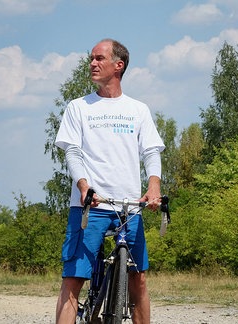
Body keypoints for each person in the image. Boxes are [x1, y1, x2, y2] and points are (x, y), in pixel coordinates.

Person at [54, 38, 165, 324]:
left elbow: (151, 151)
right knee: (74, 279)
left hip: (129, 209)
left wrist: (154, 186)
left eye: (99, 58)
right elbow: (73, 152)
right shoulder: (79, 107)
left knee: (138, 279)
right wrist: (83, 186)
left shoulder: (138, 109)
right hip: (90, 206)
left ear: (119, 65)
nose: (92, 63)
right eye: (91, 58)